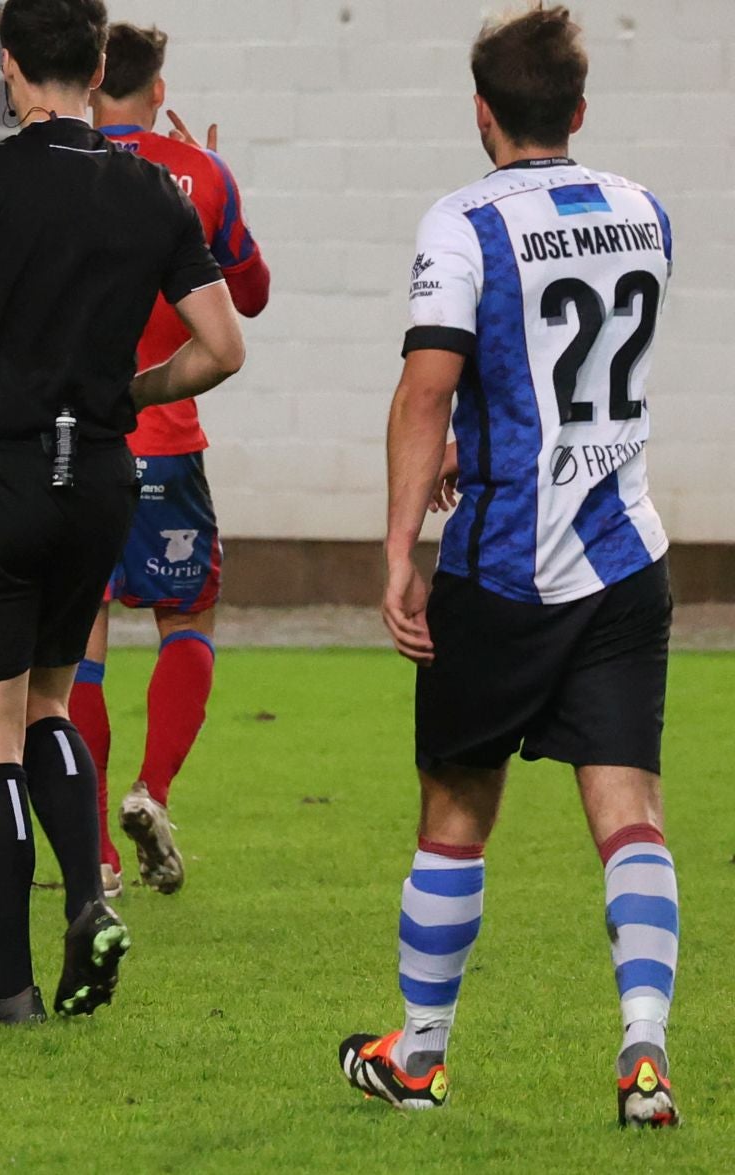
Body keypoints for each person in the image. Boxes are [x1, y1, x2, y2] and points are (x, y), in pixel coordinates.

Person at [338, 7, 678, 1128]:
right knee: (629, 811)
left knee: (455, 807)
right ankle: (642, 1052)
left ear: (480, 111)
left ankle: (420, 1054)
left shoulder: (463, 221)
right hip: (627, 557)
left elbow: (427, 384)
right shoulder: (644, 212)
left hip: (504, 567)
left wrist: (399, 550)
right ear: (579, 111)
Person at [0, 0, 244, 1024]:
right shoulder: (152, 190)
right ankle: (88, 897)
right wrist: (132, 392)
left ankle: (9, 986)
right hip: (96, 477)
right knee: (48, 700)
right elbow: (223, 346)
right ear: (96, 65)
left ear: (9, 67)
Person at [77, 23, 271, 898]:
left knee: (77, 656)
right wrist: (216, 187)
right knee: (187, 623)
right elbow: (252, 297)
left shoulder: (58, 163)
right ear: (160, 89)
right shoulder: (196, 176)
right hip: (165, 443)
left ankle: (99, 857)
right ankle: (150, 791)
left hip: (73, 446)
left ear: (89, 85)